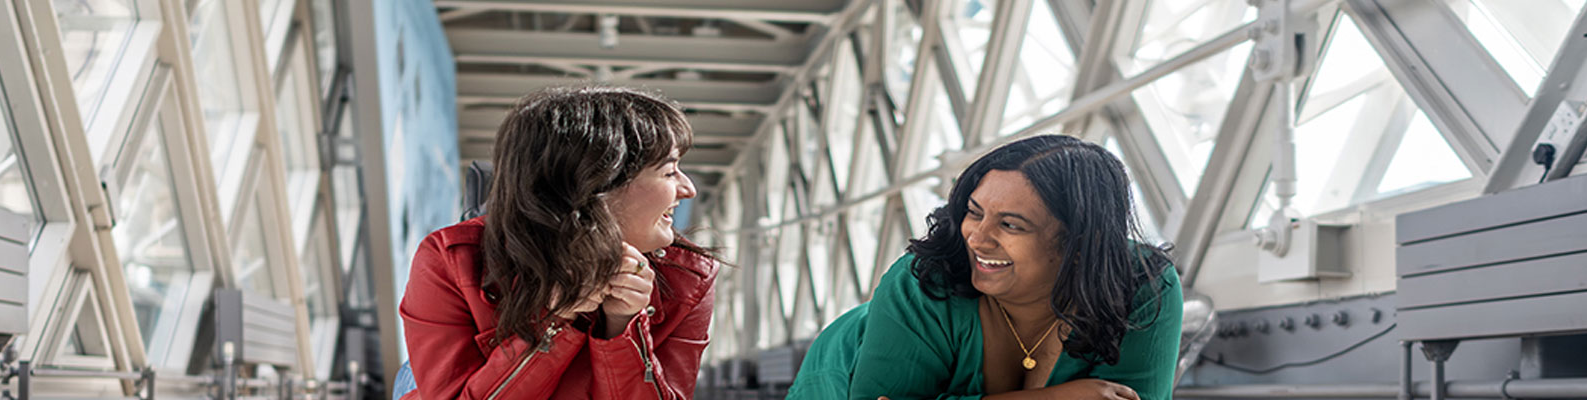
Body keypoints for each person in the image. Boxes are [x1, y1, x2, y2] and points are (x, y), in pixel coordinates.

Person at [789, 135, 1183, 400]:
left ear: (1080, 245)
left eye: (1011, 225)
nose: (977, 238)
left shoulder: (1143, 283)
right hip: (851, 367)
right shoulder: (922, 282)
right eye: (973, 213)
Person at [398, 86, 718, 400]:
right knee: (415, 376)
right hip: (446, 383)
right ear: (596, 185)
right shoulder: (451, 259)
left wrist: (624, 328)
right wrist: (553, 323)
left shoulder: (690, 277)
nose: (688, 189)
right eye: (669, 172)